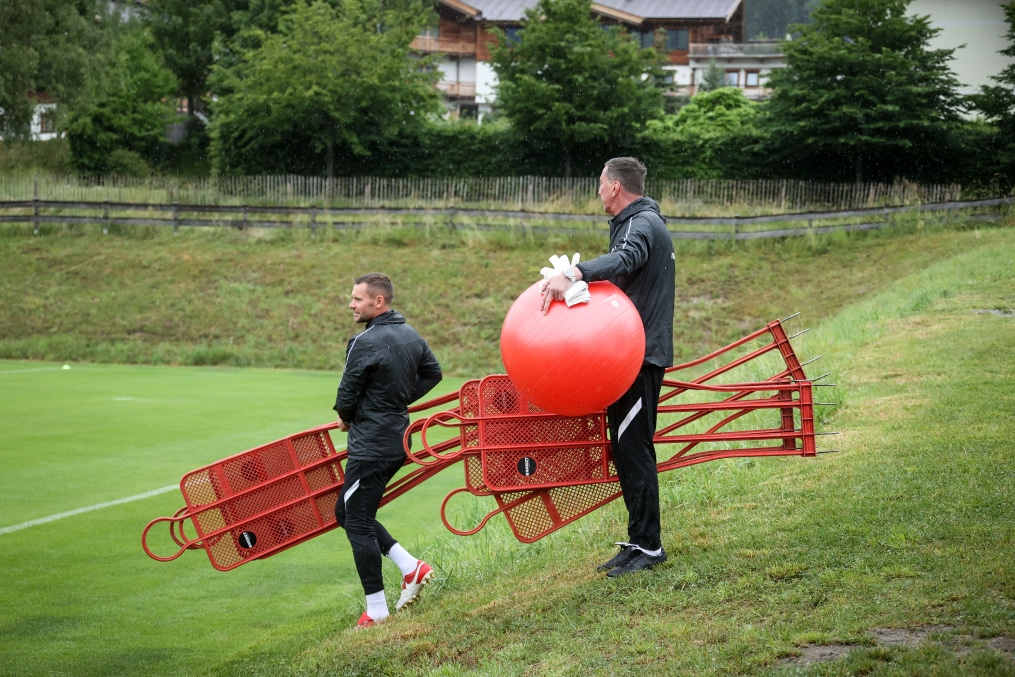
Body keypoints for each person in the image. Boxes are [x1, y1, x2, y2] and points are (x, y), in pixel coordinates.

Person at [541, 157, 675, 577]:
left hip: (639, 356)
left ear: (615, 186)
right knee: (624, 449)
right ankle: (638, 541)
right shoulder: (635, 222)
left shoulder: (641, 224)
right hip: (624, 358)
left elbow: (627, 258)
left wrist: (575, 272)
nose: (597, 191)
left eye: (600, 184)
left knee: (635, 449)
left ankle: (650, 548)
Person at [333, 272, 443, 627]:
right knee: (347, 514)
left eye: (357, 299)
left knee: (357, 523)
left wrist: (353, 414)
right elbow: (434, 373)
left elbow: (345, 398)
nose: (351, 304)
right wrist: (395, 401)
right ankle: (411, 568)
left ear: (377, 302)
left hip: (371, 446)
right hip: (397, 438)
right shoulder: (411, 335)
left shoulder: (363, 342)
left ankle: (377, 611)